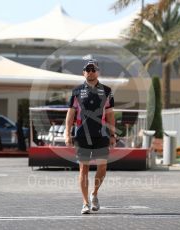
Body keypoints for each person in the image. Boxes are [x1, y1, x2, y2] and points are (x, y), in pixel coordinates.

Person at [65, 59, 116, 214]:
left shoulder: (107, 91)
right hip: (82, 135)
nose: (91, 71)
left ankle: (94, 194)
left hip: (101, 135)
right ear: (83, 72)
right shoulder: (77, 91)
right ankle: (85, 202)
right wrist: (67, 133)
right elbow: (71, 113)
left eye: (93, 69)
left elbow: (110, 114)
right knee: (83, 169)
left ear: (98, 71)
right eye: (88, 69)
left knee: (102, 167)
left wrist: (113, 134)